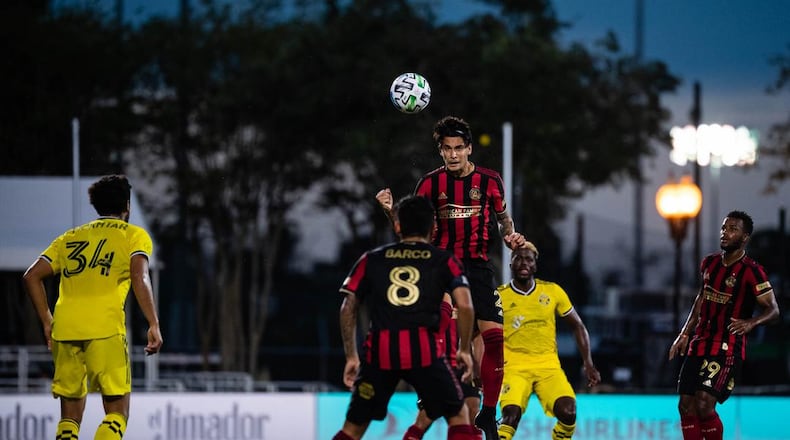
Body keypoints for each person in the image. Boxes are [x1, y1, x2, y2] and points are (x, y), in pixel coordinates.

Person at [377, 115, 527, 439]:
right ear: (440, 151)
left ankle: (488, 414)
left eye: (459, 148)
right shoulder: (429, 184)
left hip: (478, 268)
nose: (453, 154)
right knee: (442, 326)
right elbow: (408, 231)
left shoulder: (490, 181)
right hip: (442, 268)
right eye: (447, 149)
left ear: (469, 148)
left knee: (496, 340)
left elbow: (505, 221)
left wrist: (511, 237)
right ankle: (430, 387)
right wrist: (390, 210)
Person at [22, 174, 163, 440]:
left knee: (69, 418)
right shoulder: (134, 236)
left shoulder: (69, 238)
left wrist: (47, 321)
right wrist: (153, 323)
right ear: (127, 206)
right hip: (105, 329)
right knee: (117, 413)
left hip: (65, 330)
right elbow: (139, 276)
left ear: (96, 206)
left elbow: (31, 276)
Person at [333, 195, 479, 440]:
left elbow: (348, 306)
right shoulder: (444, 261)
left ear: (398, 226)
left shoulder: (371, 259)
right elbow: (465, 305)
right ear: (433, 227)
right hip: (425, 353)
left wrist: (351, 356)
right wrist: (464, 350)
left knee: (353, 429)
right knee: (458, 415)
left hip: (379, 353)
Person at [668, 210, 780, 440]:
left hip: (726, 346)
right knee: (685, 405)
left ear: (745, 237)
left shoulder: (752, 271)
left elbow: (773, 310)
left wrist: (752, 322)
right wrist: (685, 333)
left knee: (704, 402)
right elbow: (701, 298)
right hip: (700, 342)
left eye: (732, 229)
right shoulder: (709, 263)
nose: (725, 233)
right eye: (723, 228)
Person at [497, 243, 601, 440]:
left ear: (535, 265)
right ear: (511, 264)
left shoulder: (552, 292)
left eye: (529, 259)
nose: (524, 263)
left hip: (548, 366)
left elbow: (578, 326)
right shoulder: (499, 296)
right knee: (510, 416)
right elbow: (480, 331)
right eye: (518, 258)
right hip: (514, 368)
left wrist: (588, 363)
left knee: (568, 412)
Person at [403, 295, 483, 440]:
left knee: (473, 411)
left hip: (464, 367)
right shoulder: (431, 292)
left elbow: (477, 334)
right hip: (438, 366)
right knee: (426, 417)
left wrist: (478, 366)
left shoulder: (469, 297)